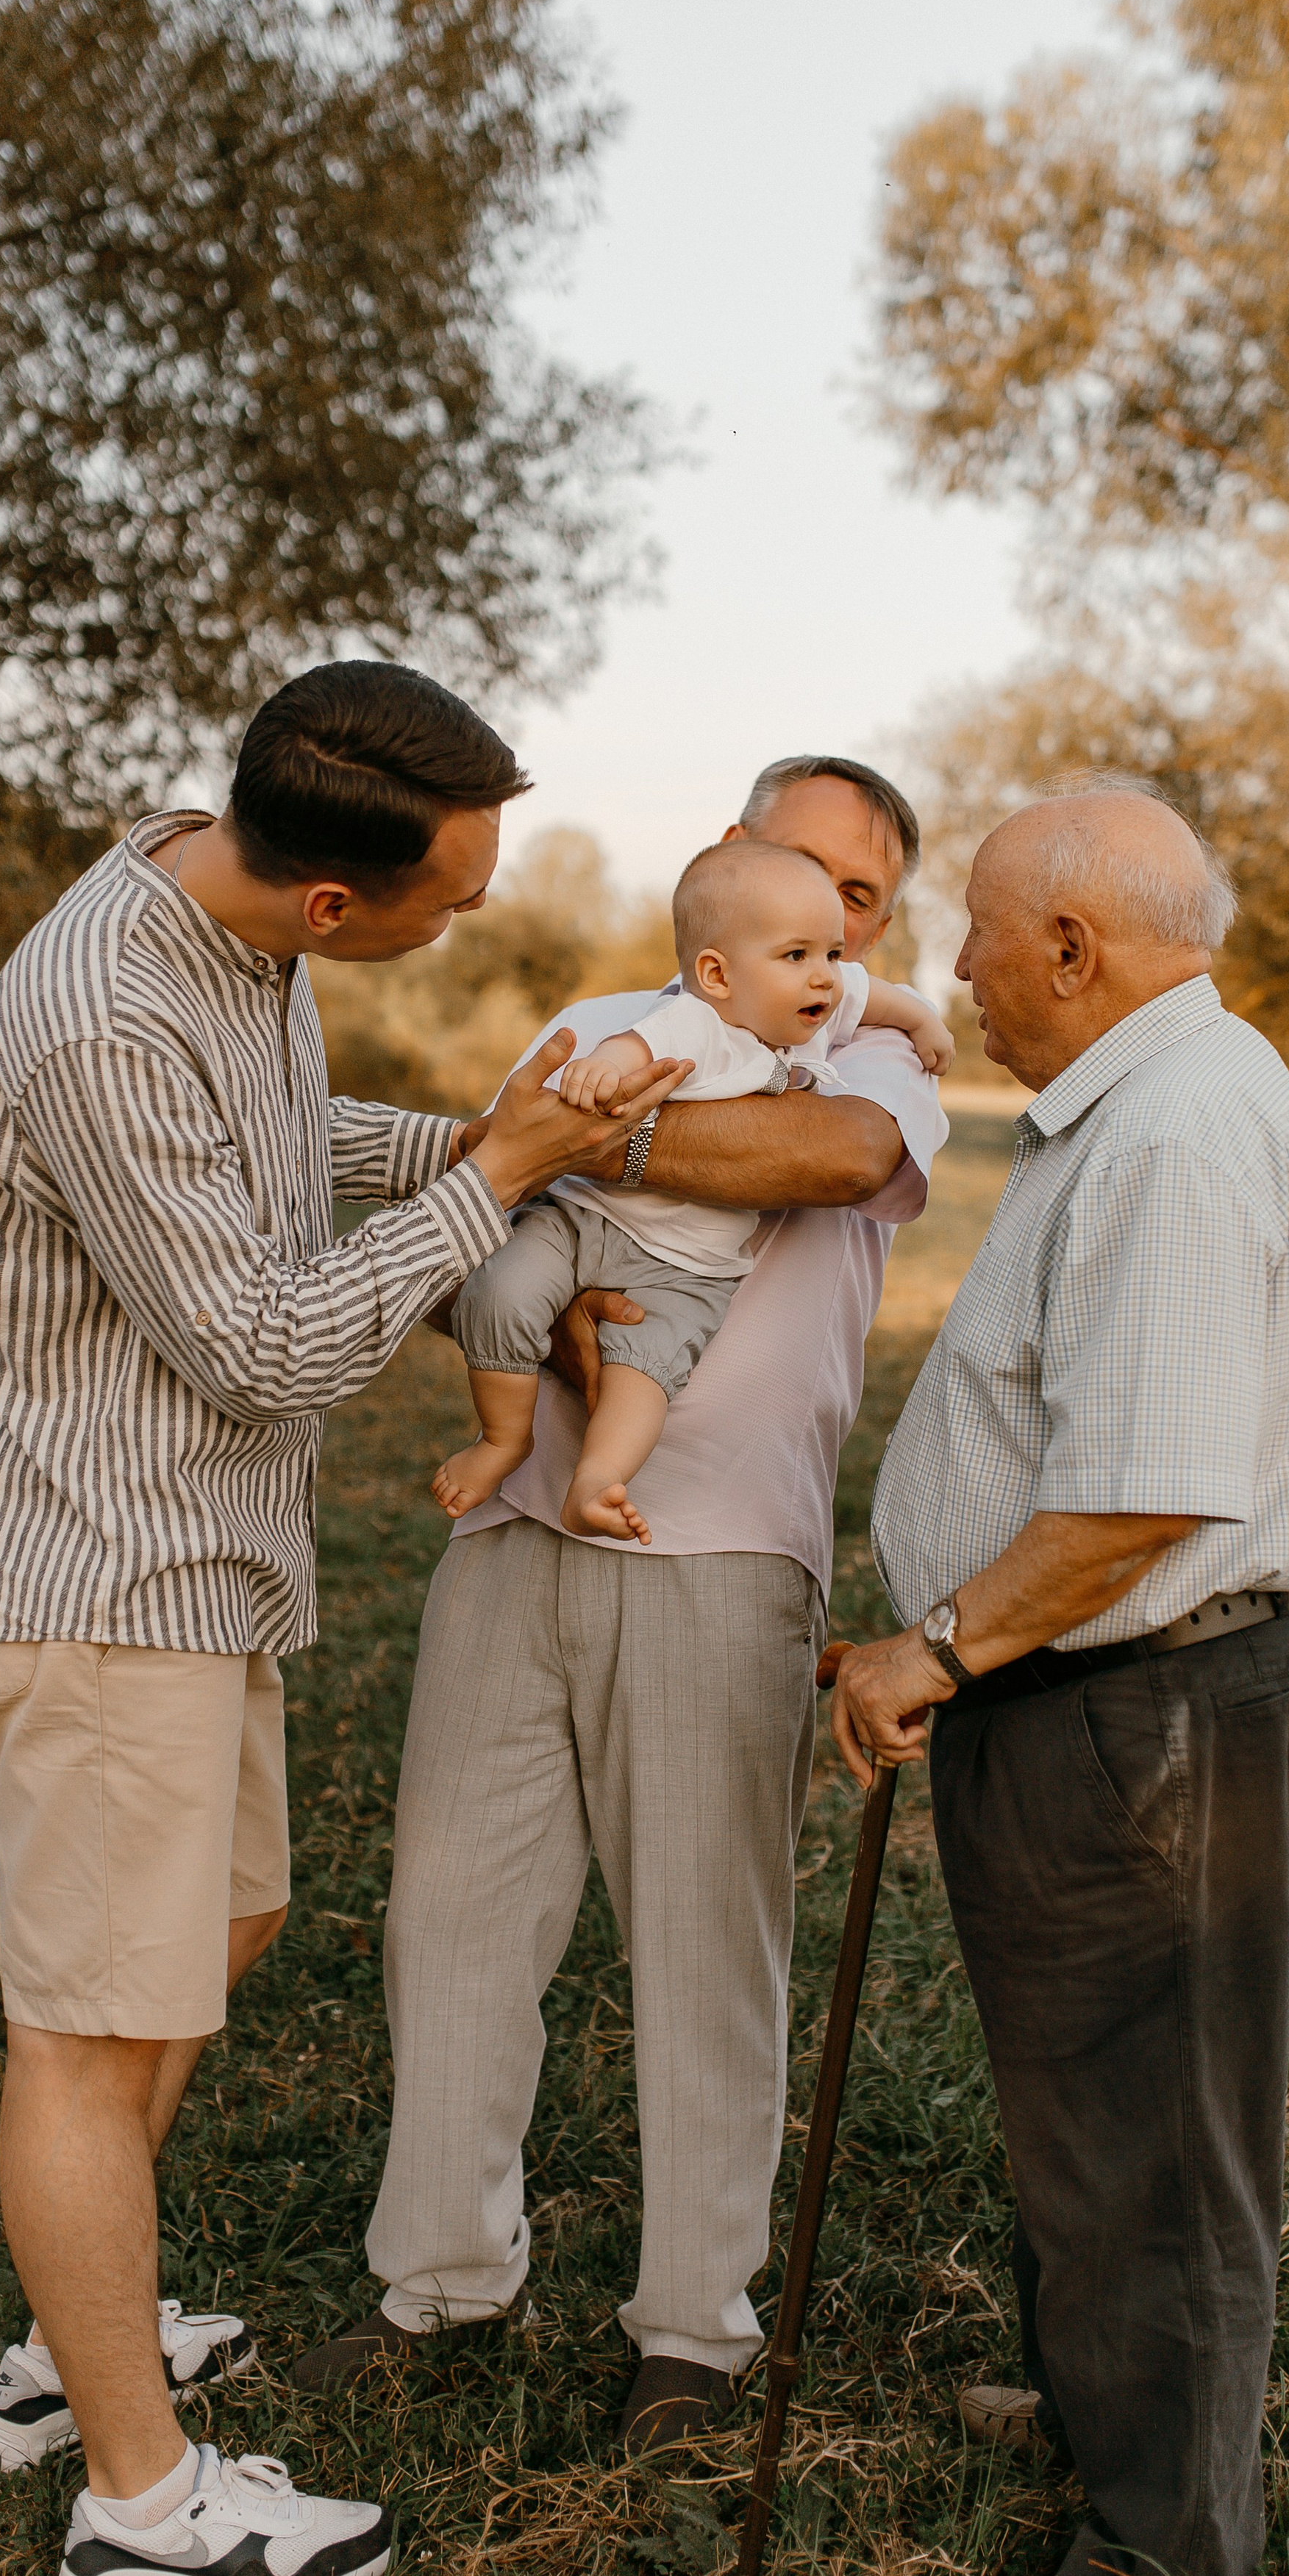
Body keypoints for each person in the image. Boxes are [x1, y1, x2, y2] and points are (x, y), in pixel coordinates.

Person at [0, 661, 682, 2576]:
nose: (470, 913)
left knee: (209, 1945)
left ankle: (63, 2352)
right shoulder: (101, 1011)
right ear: (331, 900)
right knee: (95, 2033)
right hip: (101, 1571)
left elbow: (282, 1137)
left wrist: (489, 1127)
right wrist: (500, 1184)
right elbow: (267, 1341)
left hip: (194, 1562)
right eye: (451, 897)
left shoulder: (232, 928)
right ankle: (136, 2518)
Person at [290, 756, 948, 2453]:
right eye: (789, 876)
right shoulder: (615, 1005)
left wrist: (600, 1128)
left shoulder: (873, 1056)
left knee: (700, 1944)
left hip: (721, 1551)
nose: (822, 923)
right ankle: (433, 2278)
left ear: (881, 924)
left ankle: (694, 2330)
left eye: (856, 899)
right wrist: (540, 1242)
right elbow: (481, 1221)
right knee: (448, 1917)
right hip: (516, 1531)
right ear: (720, 874)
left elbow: (816, 1151)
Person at [832, 778, 1289, 2576]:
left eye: (969, 933)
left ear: (1070, 943)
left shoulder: (1172, 1133)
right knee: (1089, 2106)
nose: (952, 967)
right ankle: (1107, 2410)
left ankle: (1149, 2574)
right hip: (1104, 1699)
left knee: (1155, 2139)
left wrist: (936, 1646)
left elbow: (1143, 1486)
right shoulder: (1143, 1099)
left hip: (1139, 1709)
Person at [435, 837, 951, 1542]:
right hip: (587, 1220)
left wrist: (924, 1022)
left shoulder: (818, 1001)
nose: (826, 978)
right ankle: (502, 1438)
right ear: (716, 972)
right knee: (503, 1291)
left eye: (833, 953)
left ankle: (597, 1480)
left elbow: (874, 995)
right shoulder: (698, 1022)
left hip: (690, 1266)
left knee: (643, 1375)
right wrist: (602, 1072)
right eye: (798, 955)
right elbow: (633, 1049)